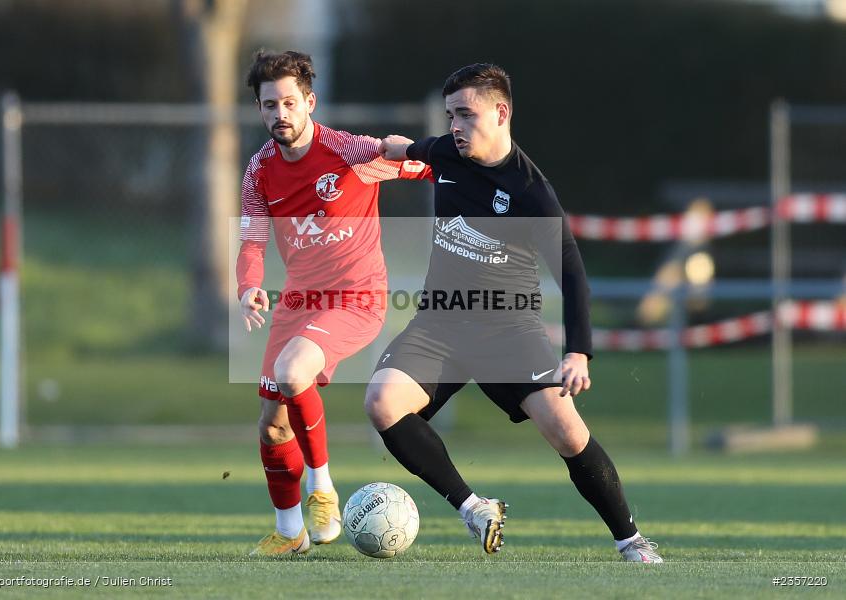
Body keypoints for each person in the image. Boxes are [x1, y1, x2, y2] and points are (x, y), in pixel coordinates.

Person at [369, 63, 663, 562]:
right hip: (441, 322)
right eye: (450, 116)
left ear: (501, 112)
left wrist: (579, 353)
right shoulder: (445, 152)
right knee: (382, 402)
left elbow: (573, 275)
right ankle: (473, 508)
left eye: (466, 114)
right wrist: (352, 150)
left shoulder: (532, 194)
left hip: (508, 329)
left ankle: (631, 540)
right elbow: (398, 150)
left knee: (566, 431)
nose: (455, 126)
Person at [237, 50, 430, 556]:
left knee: (293, 370)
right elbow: (253, 242)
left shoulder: (349, 152)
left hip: (356, 296)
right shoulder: (259, 171)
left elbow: (423, 167)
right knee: (272, 422)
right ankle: (289, 533)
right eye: (269, 105)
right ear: (259, 109)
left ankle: (323, 490)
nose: (280, 113)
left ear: (309, 103)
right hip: (298, 301)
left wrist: (469, 169)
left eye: (289, 103)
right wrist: (247, 286)